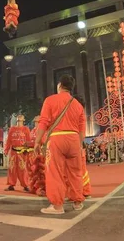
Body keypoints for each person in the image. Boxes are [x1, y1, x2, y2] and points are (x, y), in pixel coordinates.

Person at [34, 74, 86, 215]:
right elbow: (82, 129)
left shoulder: (50, 100)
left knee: (55, 172)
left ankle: (57, 206)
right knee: (75, 172)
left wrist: (37, 141)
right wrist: (79, 144)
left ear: (60, 85)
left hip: (57, 139)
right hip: (74, 139)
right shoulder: (78, 105)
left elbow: (43, 122)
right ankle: (77, 202)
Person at [4, 114, 31, 192]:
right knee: (12, 168)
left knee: (22, 169)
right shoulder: (12, 129)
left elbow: (28, 141)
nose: (20, 117)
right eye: (18, 117)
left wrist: (27, 150)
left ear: (24, 119)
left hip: (22, 152)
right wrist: (6, 150)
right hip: (13, 151)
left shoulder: (26, 129)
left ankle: (25, 185)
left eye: (21, 117)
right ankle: (11, 184)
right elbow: (9, 140)